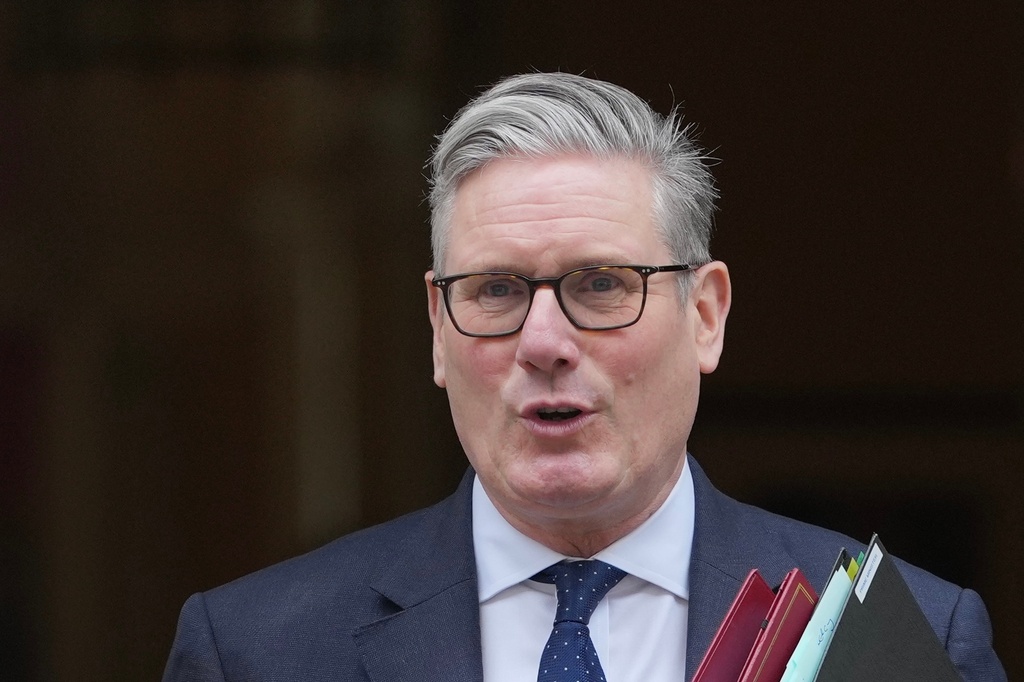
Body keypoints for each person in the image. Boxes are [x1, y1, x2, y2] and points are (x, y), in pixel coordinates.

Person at [163, 72, 1005, 681]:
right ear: (435, 327)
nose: (544, 341)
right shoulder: (256, 650)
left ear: (706, 315)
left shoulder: (899, 637)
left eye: (601, 285)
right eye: (495, 290)